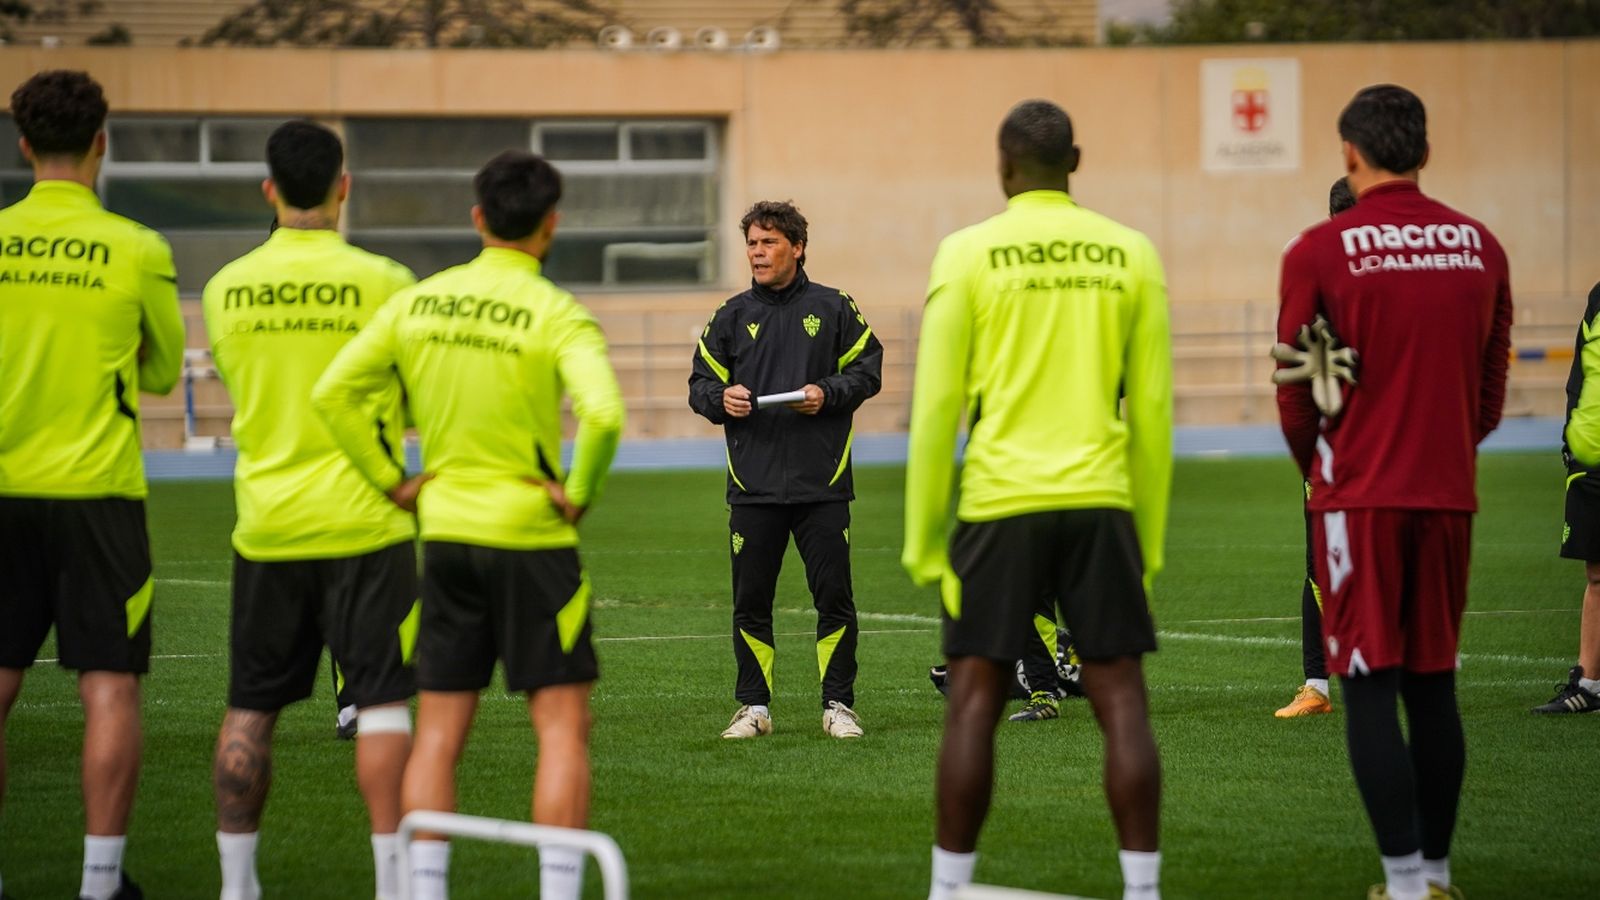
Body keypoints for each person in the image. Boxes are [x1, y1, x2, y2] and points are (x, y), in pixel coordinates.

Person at [313, 150, 624, 900]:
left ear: (478, 218)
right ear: (551, 226)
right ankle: (556, 891)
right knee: (559, 731)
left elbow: (333, 393)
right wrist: (577, 492)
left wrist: (393, 481)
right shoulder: (558, 311)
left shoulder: (419, 302)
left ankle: (425, 891)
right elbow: (605, 413)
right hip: (532, 539)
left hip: (444, 537)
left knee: (442, 731)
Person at [904, 99, 1172, 900]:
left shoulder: (966, 252)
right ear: (1076, 161)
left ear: (1002, 167)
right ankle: (1143, 889)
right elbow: (1153, 410)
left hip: (998, 503)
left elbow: (933, 408)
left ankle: (950, 887)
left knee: (975, 703)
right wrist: (1148, 538)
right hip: (1101, 501)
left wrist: (923, 539)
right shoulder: (1131, 252)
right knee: (1121, 698)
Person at [1273, 85, 1511, 900]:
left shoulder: (1318, 251)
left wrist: (1330, 465)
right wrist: (1440, 453)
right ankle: (1438, 877)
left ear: (1350, 153)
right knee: (1434, 683)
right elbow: (1488, 393)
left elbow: (1296, 392)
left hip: (1359, 502)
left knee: (1369, 684)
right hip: (1447, 498)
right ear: (1426, 151)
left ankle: (1405, 884)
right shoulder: (1482, 247)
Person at [201, 120, 419, 900]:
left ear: (269, 189)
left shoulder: (227, 287)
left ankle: (236, 885)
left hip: (268, 523)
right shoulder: (389, 281)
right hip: (368, 522)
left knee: (251, 706)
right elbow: (411, 394)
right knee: (384, 700)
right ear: (344, 186)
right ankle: (394, 883)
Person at [0, 69, 183, 900]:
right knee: (109, 686)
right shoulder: (138, 247)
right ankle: (99, 883)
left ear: (23, 143)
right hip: (99, 495)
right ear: (103, 140)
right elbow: (162, 371)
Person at [688, 200, 883, 740]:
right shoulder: (730, 315)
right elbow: (699, 384)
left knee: (834, 600)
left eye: (769, 242)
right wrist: (719, 398)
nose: (757, 251)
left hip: (822, 484)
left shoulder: (836, 307)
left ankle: (838, 706)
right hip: (753, 487)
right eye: (752, 242)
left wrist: (829, 392)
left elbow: (869, 371)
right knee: (751, 603)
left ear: (797, 247)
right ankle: (754, 708)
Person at [1275, 175, 1357, 719]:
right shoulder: (1324, 272)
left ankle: (1319, 685)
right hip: (1379, 445)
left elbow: (1291, 369)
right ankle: (1323, 684)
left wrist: (1309, 451)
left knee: (1321, 563)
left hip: (1334, 447)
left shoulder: (1313, 269)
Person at [1538, 278, 1600, 714]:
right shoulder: (1598, 297)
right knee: (1596, 574)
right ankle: (1589, 683)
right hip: (1591, 456)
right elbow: (1580, 371)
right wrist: (1570, 435)